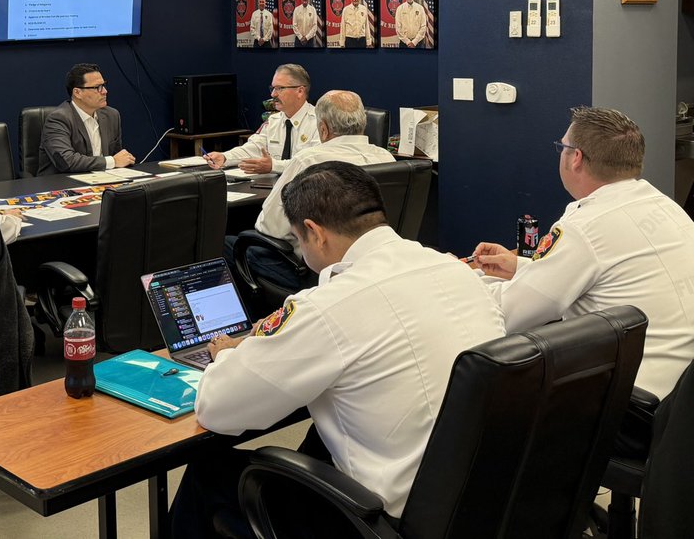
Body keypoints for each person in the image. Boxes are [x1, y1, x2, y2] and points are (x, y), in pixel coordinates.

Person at [171, 162, 504, 537]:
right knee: (319, 436)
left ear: (314, 232)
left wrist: (227, 355)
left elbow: (218, 408)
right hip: (480, 501)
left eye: (298, 239)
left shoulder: (331, 304)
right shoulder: (455, 271)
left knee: (207, 473)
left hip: (386, 521)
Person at [471, 106, 694, 401]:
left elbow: (508, 315)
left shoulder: (586, 227)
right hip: (678, 396)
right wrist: (523, 266)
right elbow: (609, 272)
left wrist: (458, 279)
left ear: (575, 157)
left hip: (632, 403)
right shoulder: (665, 206)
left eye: (562, 147)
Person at [227, 89, 395, 291]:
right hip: (378, 265)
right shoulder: (386, 158)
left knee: (230, 245)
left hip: (317, 273)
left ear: (323, 129)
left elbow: (270, 227)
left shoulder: (310, 161)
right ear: (363, 123)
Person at [204, 65, 318, 175]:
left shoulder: (318, 122)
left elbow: (311, 163)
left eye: (280, 88)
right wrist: (224, 157)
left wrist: (273, 166)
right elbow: (253, 148)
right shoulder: (273, 121)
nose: (273, 94)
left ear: (300, 91)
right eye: (273, 88)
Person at [37, 63, 134, 175]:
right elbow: (66, 161)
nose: (104, 91)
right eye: (97, 87)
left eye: (104, 85)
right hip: (63, 185)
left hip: (103, 180)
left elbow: (118, 158)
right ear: (77, 93)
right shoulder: (58, 119)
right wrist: (112, 161)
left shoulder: (111, 115)